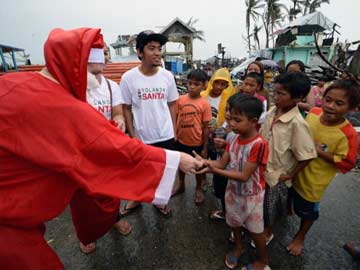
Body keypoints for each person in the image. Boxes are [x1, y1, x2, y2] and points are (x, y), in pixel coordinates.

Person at [0, 28, 203, 270]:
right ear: (75, 65)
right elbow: (115, 149)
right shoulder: (58, 105)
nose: (98, 74)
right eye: (91, 66)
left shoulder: (12, 82)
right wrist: (177, 159)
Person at [196, 94, 270, 270]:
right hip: (233, 190)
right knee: (234, 221)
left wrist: (214, 170)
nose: (232, 124)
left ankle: (263, 260)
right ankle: (238, 246)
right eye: (230, 119)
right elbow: (222, 162)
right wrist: (204, 162)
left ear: (253, 121)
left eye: (237, 120)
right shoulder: (234, 138)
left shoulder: (259, 144)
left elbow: (244, 176)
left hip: (252, 195)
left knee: (255, 229)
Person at [288, 80, 360, 256]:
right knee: (288, 196)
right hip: (292, 171)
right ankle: (288, 209)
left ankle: (300, 236)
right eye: (328, 100)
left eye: (339, 103)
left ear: (352, 109)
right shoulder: (312, 113)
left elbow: (348, 163)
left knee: (308, 213)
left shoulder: (348, 134)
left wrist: (320, 152)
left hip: (313, 182)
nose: (330, 106)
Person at [120, 30, 178, 217]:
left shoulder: (167, 76)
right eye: (151, 48)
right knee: (140, 171)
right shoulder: (128, 78)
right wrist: (132, 135)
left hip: (166, 133)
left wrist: (174, 131)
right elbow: (126, 108)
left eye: (159, 49)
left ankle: (160, 201)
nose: (157, 53)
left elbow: (172, 105)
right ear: (139, 52)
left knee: (163, 171)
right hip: (143, 136)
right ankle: (137, 198)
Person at [81, 46, 130, 253]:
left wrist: (119, 121)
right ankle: (86, 234)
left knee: (112, 189)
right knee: (86, 195)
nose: (103, 58)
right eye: (97, 54)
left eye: (106, 54)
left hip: (108, 148)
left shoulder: (111, 86)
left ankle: (114, 219)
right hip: (84, 151)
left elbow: (118, 112)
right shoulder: (77, 86)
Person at [259, 72, 317, 246]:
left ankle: (268, 232)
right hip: (261, 169)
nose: (275, 97)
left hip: (276, 177)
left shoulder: (297, 124)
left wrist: (290, 174)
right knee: (260, 204)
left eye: (281, 94)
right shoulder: (271, 112)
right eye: (274, 92)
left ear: (297, 98)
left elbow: (307, 156)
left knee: (271, 209)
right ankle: (260, 226)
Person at [171, 69, 211, 204]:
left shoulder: (204, 104)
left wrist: (205, 147)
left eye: (197, 84)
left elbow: (206, 127)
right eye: (190, 83)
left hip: (197, 143)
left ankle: (198, 188)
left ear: (204, 85)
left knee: (198, 167)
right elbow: (175, 118)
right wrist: (174, 135)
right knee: (180, 165)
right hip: (181, 141)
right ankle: (181, 184)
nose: (192, 87)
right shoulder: (180, 100)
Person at [201, 67, 235, 220]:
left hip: (221, 134)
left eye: (224, 84)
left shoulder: (229, 98)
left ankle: (216, 182)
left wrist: (223, 131)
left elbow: (231, 118)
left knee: (218, 160)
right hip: (204, 133)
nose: (219, 87)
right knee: (204, 155)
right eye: (217, 83)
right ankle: (202, 181)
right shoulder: (203, 96)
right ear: (212, 82)